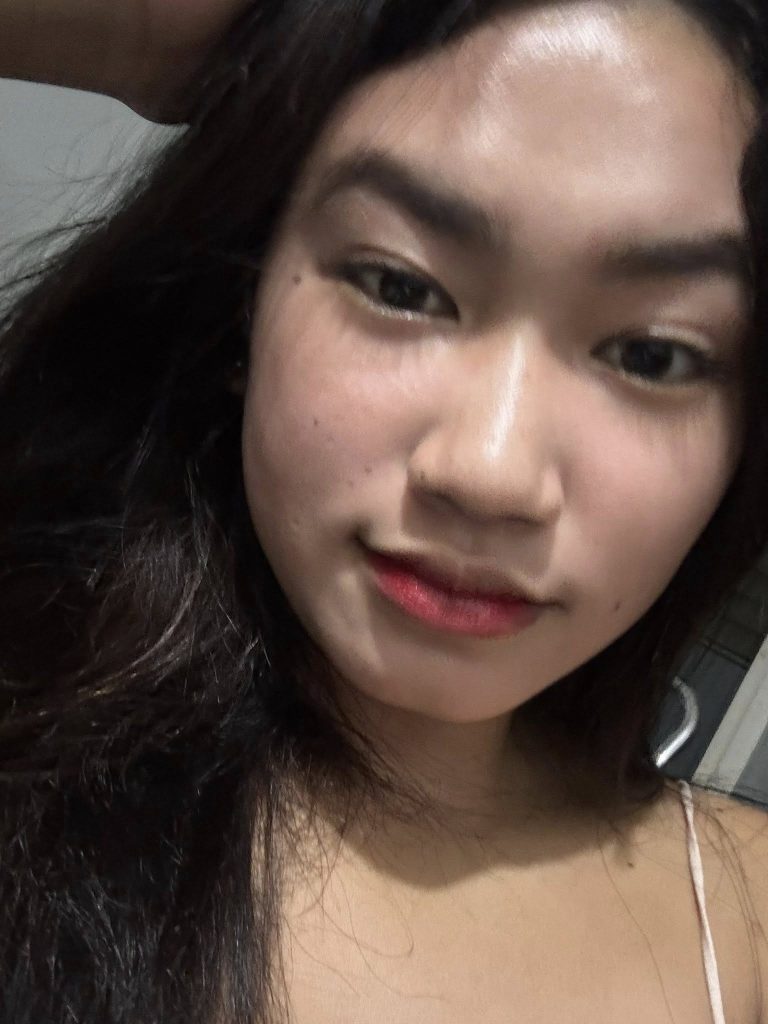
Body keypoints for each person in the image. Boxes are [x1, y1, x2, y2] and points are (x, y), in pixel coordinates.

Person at [0, 0, 767, 1021]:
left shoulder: (747, 919)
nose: (490, 473)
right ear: (243, 303)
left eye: (652, 355)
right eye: (400, 288)